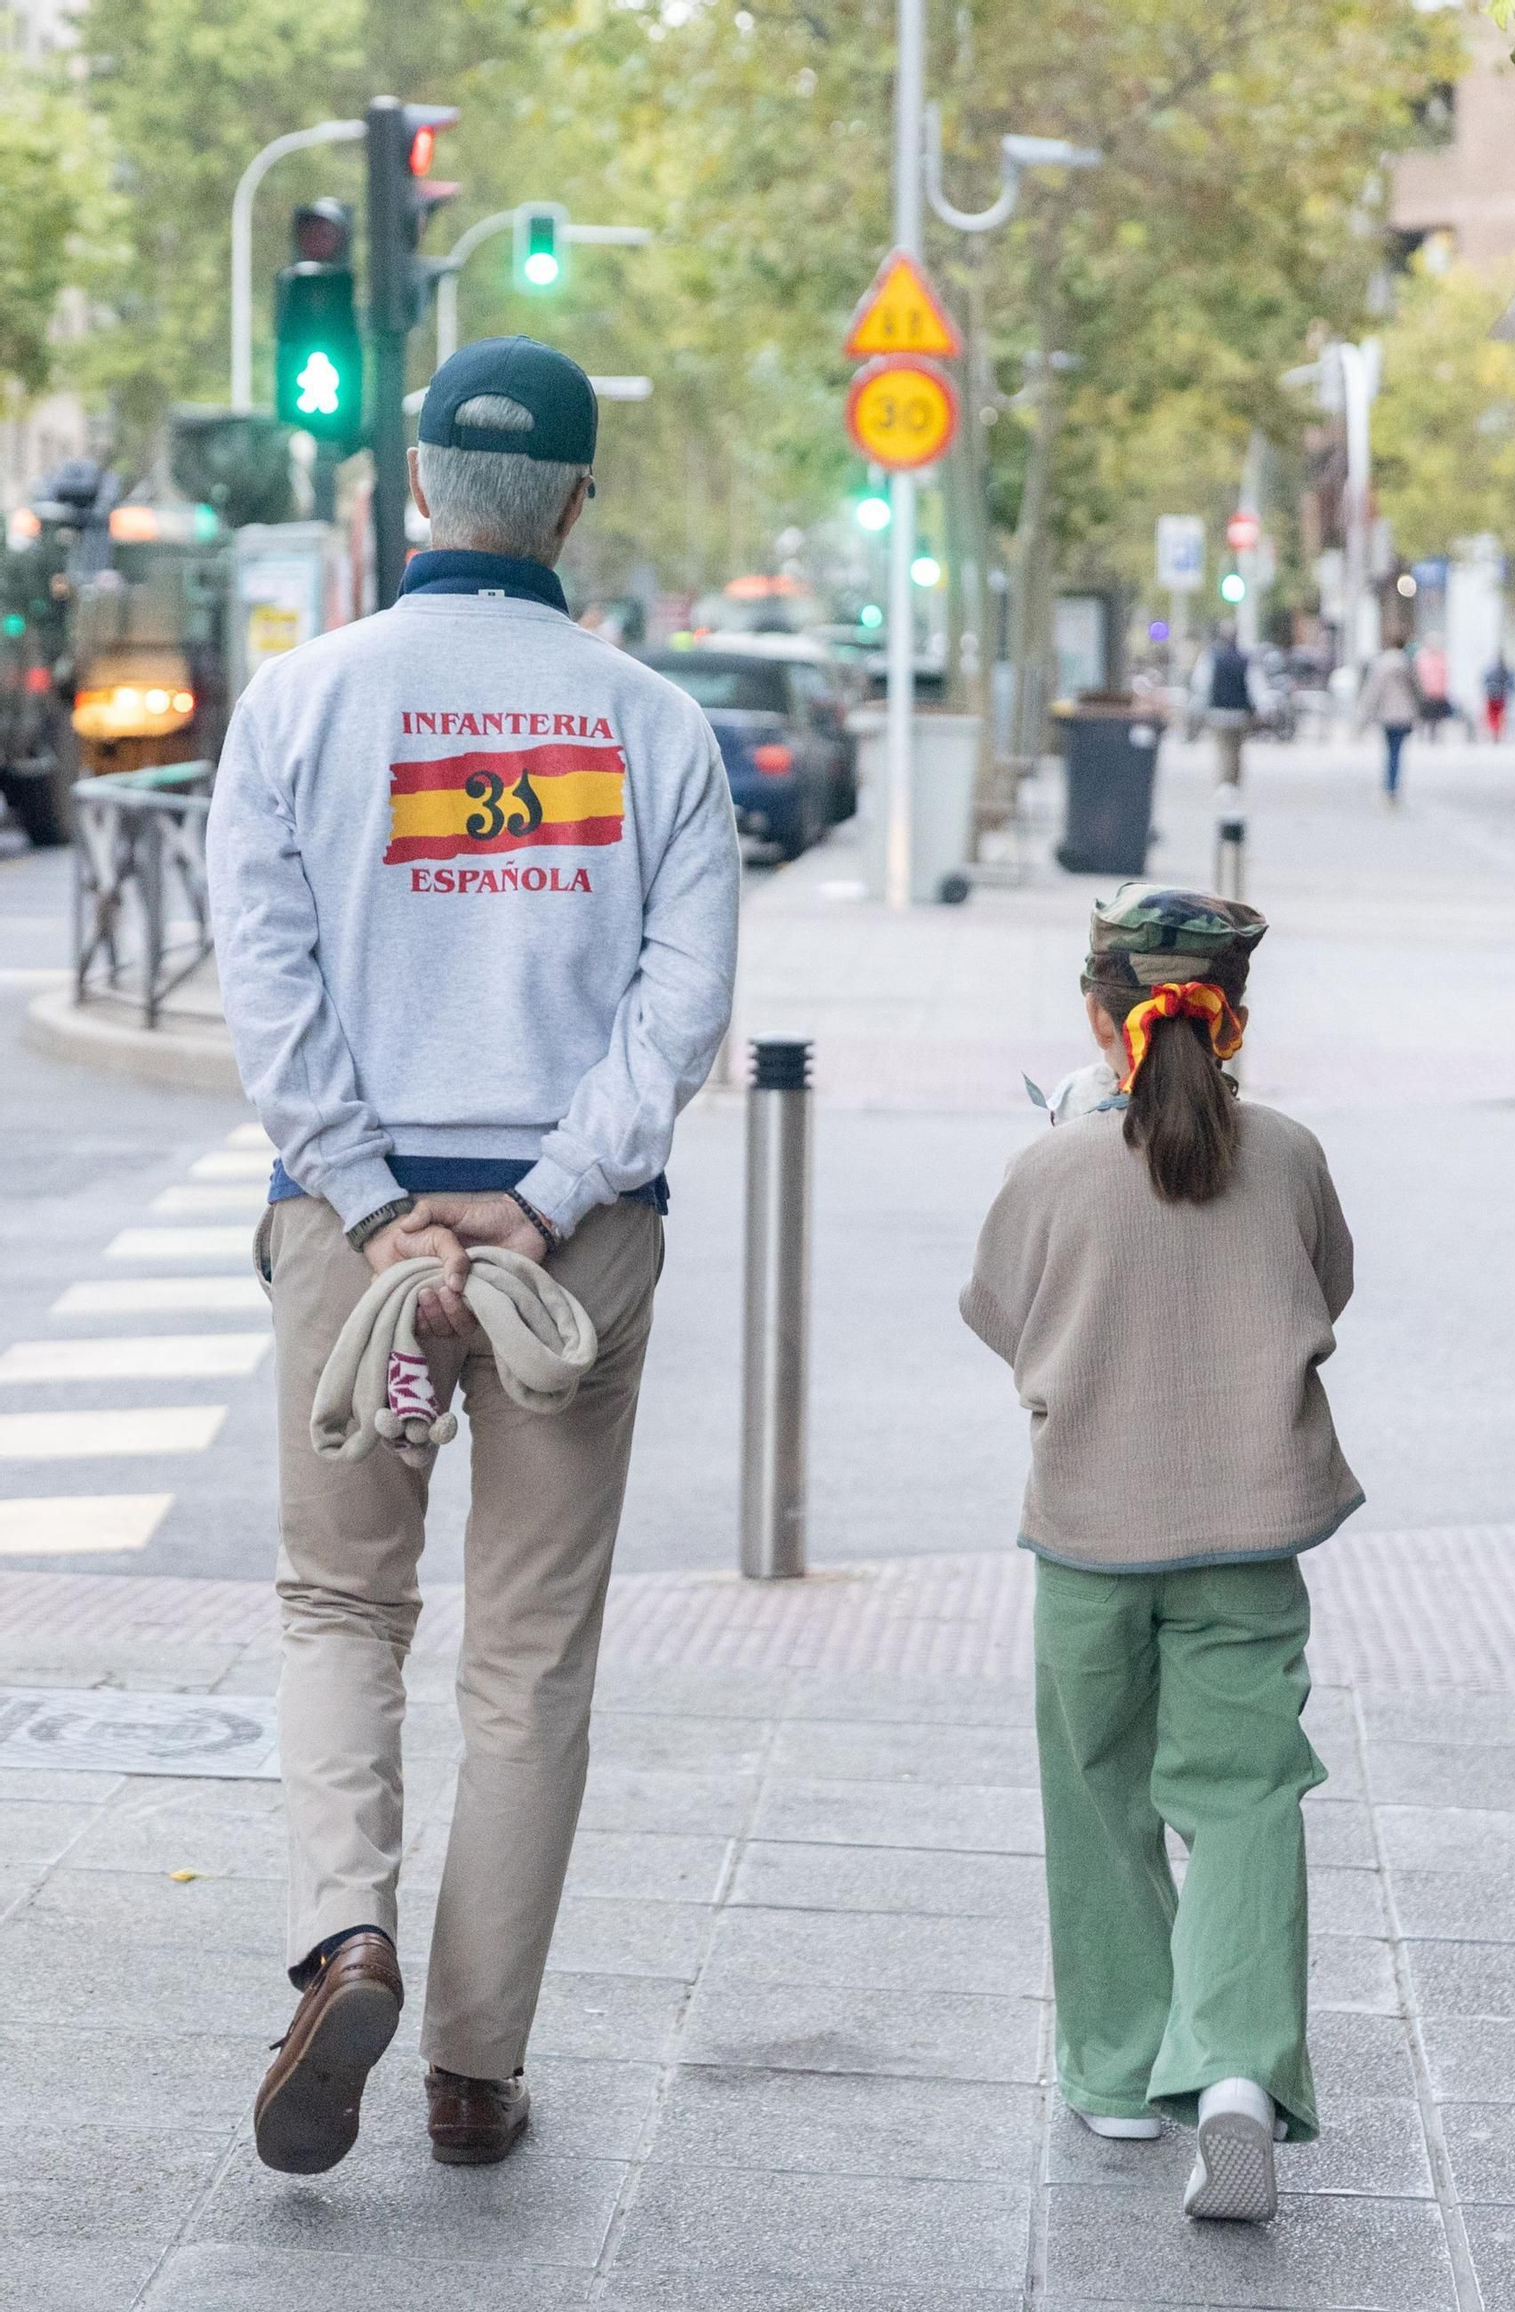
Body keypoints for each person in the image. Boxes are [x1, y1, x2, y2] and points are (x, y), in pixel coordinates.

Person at [207, 338, 741, 2175]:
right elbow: (682, 1010)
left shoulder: (302, 704)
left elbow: (266, 985)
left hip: (357, 1254)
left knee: (343, 1603)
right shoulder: (651, 724)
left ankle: (341, 1932)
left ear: (419, 484)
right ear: (577, 503)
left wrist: (370, 1203)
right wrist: (541, 1194)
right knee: (528, 1649)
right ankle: (472, 2066)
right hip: (566, 1252)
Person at [961, 884, 1361, 2225]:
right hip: (1249, 1533)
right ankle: (1240, 2069)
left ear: (1097, 1014)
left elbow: (999, 1314)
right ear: (1235, 1022)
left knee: (1097, 1787)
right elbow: (1327, 1289)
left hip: (1088, 1528)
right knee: (1246, 1792)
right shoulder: (1293, 1156)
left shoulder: (1053, 1168)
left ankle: (1122, 2073)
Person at [1356, 638, 1422, 803]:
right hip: (1404, 714)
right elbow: (1417, 689)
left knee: (1389, 751)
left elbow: (1373, 691)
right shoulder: (1407, 663)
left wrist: (1363, 718)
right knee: (1397, 752)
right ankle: (1393, 786)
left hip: (1386, 714)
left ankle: (1389, 786)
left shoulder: (1380, 664)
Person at [1205, 620, 1253, 786]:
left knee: (1223, 749)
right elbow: (1254, 685)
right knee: (1236, 751)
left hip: (1218, 711)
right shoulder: (1245, 660)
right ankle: (1233, 782)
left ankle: (1225, 783)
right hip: (1240, 712)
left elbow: (1203, 683)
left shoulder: (1213, 658)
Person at [1413, 633, 1451, 742]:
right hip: (1424, 692)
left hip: (1438, 693)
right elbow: (1417, 675)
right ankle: (1422, 735)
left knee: (1436, 717)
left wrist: (1444, 690)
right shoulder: (1421, 657)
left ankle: (1433, 736)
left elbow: (1445, 675)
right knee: (1424, 716)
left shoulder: (1442, 657)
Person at [1483, 654, 1513, 742]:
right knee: (1499, 716)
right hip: (1500, 696)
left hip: (1493, 696)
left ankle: (1495, 732)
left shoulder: (1489, 670)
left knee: (1493, 716)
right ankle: (1496, 732)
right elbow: (1509, 683)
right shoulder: (1505, 670)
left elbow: (1485, 681)